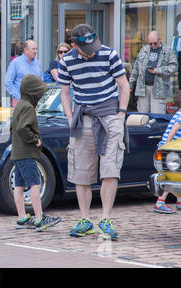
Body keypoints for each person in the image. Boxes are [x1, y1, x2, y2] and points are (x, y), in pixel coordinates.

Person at [58, 24, 130, 240]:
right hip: (83, 118)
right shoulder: (67, 61)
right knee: (81, 173)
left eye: (93, 45)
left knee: (110, 170)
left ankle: (106, 219)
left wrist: (121, 114)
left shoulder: (110, 54)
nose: (91, 51)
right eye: (86, 48)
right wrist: (71, 119)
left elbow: (123, 85)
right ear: (74, 46)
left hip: (109, 116)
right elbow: (64, 93)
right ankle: (85, 219)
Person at [10, 74, 61, 231]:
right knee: (35, 184)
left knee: (18, 186)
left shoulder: (19, 105)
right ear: (34, 93)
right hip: (27, 153)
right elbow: (22, 128)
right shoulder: (29, 107)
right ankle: (39, 218)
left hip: (17, 153)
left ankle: (22, 217)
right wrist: (35, 140)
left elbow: (13, 128)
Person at [129, 31, 178, 114]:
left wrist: (157, 70)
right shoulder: (144, 50)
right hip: (143, 88)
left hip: (159, 89)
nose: (153, 46)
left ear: (160, 40)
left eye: (155, 43)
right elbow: (135, 69)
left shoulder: (168, 50)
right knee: (142, 116)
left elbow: (174, 67)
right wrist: (130, 85)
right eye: (150, 43)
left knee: (157, 116)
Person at [153, 91, 181, 213]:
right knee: (170, 177)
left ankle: (179, 201)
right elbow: (175, 128)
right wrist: (167, 145)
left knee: (177, 176)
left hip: (170, 150)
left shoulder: (177, 113)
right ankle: (160, 202)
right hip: (170, 151)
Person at [5, 40, 43, 107]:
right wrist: (18, 97)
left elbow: (41, 82)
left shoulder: (37, 63)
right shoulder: (16, 63)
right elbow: (8, 83)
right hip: (20, 101)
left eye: (36, 49)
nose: (36, 51)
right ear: (25, 50)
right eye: (33, 49)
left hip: (35, 101)